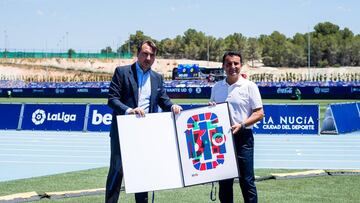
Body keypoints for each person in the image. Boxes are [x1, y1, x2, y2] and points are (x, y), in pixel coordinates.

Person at [105, 40, 182, 203]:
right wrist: (129, 110)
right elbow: (112, 99)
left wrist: (173, 106)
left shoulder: (158, 78)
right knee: (117, 172)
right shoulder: (122, 72)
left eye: (152, 55)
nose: (148, 58)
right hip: (123, 131)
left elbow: (163, 100)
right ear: (138, 54)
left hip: (146, 134)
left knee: (142, 174)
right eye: (145, 54)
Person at [209, 51, 264, 203]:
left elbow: (259, 113)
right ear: (223, 66)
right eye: (229, 64)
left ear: (241, 65)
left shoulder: (249, 86)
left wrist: (242, 124)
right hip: (221, 139)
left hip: (243, 138)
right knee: (224, 183)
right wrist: (210, 109)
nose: (232, 67)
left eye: (236, 63)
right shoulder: (216, 87)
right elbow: (211, 114)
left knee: (247, 182)